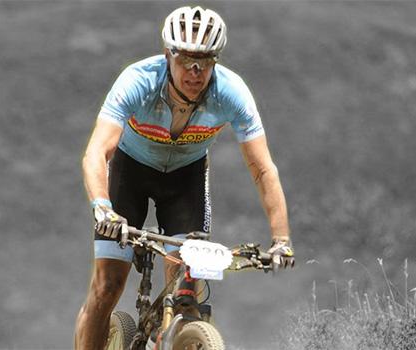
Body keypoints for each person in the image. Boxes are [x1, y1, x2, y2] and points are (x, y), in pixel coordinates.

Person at [74, 5, 295, 349]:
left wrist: (281, 239)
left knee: (186, 294)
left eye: (205, 62)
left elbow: (263, 168)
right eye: (186, 61)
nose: (195, 72)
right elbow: (96, 153)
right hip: (129, 173)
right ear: (168, 56)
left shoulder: (232, 92)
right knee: (107, 286)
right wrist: (103, 210)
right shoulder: (139, 80)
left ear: (216, 62)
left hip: (185, 180)